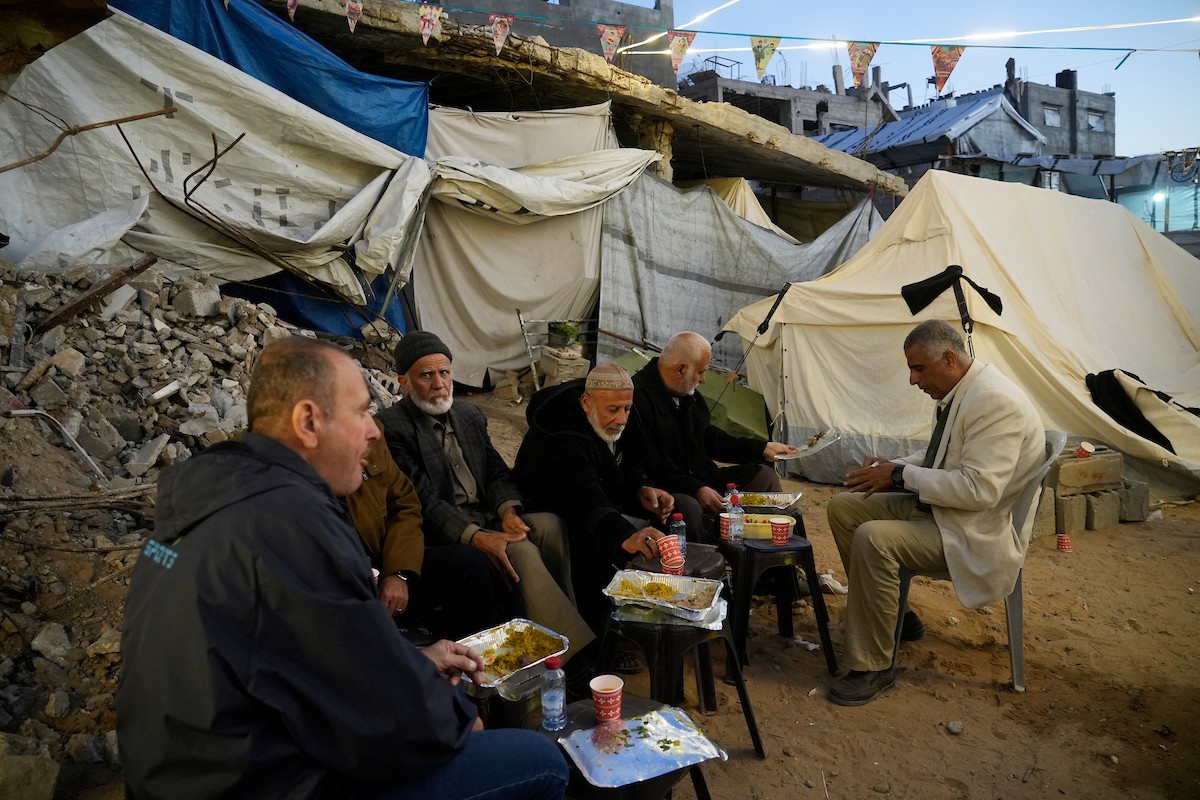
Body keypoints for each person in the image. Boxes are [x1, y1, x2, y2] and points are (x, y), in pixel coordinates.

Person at [116, 336, 567, 799]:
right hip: (257, 781)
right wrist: (454, 720)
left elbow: (311, 656)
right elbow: (386, 717)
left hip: (181, 771)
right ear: (308, 422)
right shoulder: (291, 523)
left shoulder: (213, 502)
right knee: (538, 761)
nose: (373, 430)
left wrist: (415, 661)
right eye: (361, 412)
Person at [826, 319, 1043, 706]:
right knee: (845, 507)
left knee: (874, 538)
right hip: (947, 513)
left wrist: (899, 475)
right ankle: (895, 615)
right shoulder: (965, 390)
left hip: (976, 532)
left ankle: (875, 667)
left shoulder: (994, 401)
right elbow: (940, 458)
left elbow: (979, 490)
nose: (913, 380)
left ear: (949, 359)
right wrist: (893, 466)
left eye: (919, 369)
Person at [376, 331, 594, 661]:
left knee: (550, 525)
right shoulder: (392, 427)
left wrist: (508, 512)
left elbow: (495, 472)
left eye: (444, 372)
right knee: (520, 550)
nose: (439, 384)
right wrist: (477, 537)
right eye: (426, 375)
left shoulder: (469, 415)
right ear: (404, 383)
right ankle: (572, 657)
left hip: (488, 516)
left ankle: (556, 629)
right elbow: (423, 501)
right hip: (447, 533)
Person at [514, 363, 675, 636]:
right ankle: (596, 637)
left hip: (595, 508)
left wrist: (641, 489)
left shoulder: (617, 419)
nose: (622, 419)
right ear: (586, 402)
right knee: (591, 546)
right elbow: (582, 494)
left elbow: (627, 465)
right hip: (555, 514)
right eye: (613, 409)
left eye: (627, 409)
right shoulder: (560, 432)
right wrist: (624, 535)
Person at [344, 423, 509, 640]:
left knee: (467, 563)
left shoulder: (371, 433)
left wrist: (399, 572)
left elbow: (405, 505)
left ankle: (483, 655)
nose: (374, 426)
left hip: (387, 564)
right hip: (344, 588)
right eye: (358, 411)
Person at [632, 331, 797, 536]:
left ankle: (770, 547)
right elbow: (652, 462)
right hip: (665, 489)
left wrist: (762, 448)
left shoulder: (688, 395)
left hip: (703, 478)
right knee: (689, 508)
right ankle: (708, 555)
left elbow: (710, 439)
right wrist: (696, 488)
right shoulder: (638, 397)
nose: (703, 379)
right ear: (681, 369)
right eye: (701, 372)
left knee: (764, 477)